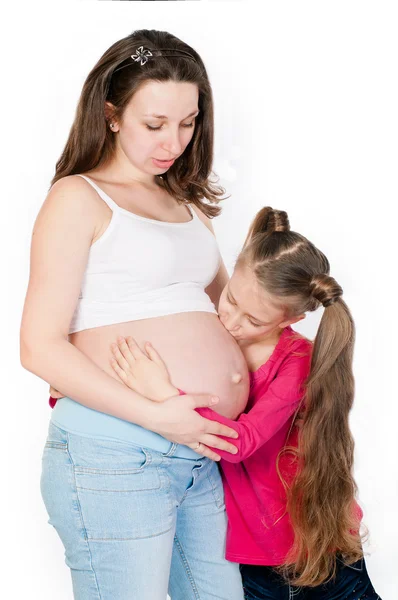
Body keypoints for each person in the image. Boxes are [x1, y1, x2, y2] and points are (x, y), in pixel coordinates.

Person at [20, 29, 249, 600]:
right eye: (154, 124)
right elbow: (39, 348)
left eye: (188, 122)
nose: (173, 141)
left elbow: (230, 315)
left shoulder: (188, 204)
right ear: (112, 114)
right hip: (118, 454)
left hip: (200, 457)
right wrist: (159, 414)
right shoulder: (79, 198)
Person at [110, 207, 381, 599]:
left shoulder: (297, 362)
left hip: (317, 548)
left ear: (294, 317)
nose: (232, 321)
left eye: (253, 320)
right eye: (230, 299)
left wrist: (165, 397)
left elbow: (240, 443)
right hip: (254, 557)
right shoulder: (214, 334)